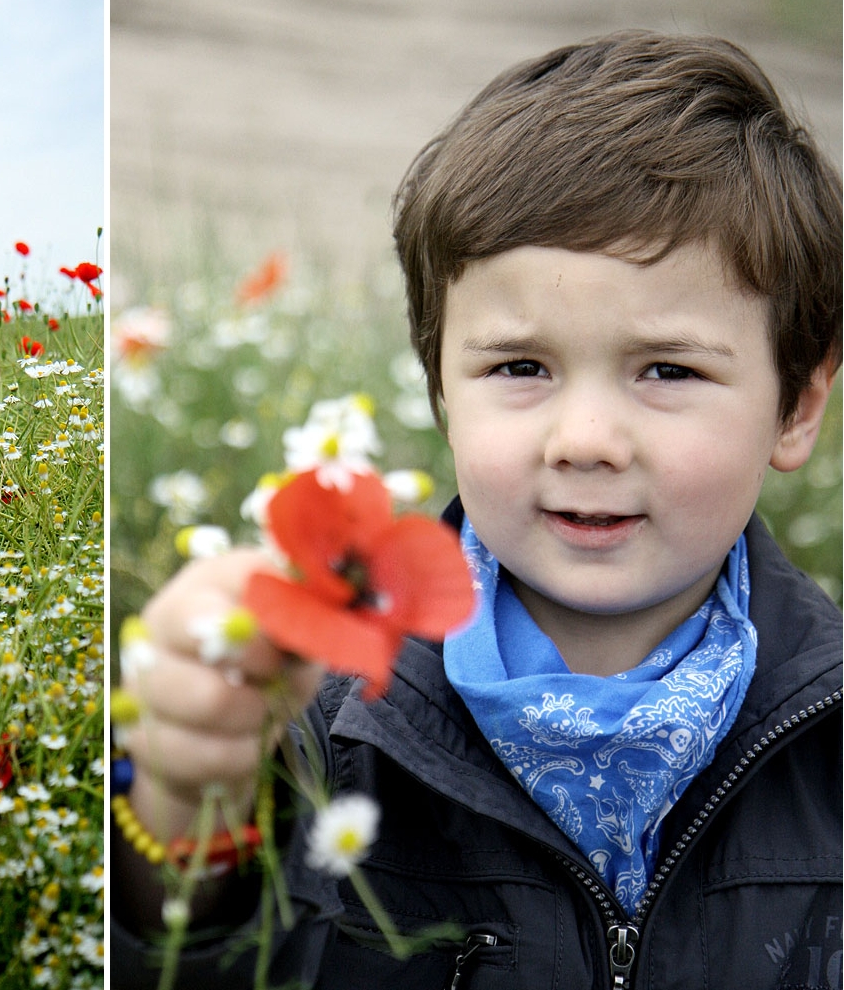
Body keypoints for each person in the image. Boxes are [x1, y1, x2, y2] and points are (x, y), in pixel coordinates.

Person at [111, 30, 841, 990]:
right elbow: (196, 962)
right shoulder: (315, 722)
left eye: (667, 370)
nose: (584, 439)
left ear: (794, 408)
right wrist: (183, 805)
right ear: (439, 393)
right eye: (519, 368)